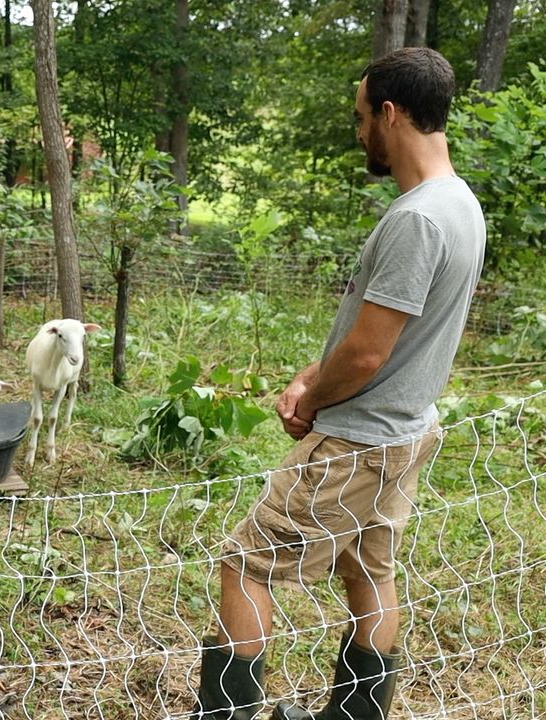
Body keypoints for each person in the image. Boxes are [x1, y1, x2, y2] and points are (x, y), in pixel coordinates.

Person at [190, 47, 486, 720]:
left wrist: (311, 399)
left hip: (356, 440)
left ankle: (228, 714)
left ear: (390, 114)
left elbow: (367, 355)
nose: (359, 132)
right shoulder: (460, 204)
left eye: (361, 117)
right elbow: (384, 335)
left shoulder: (417, 218)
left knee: (245, 563)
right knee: (370, 570)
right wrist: (311, 374)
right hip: (406, 432)